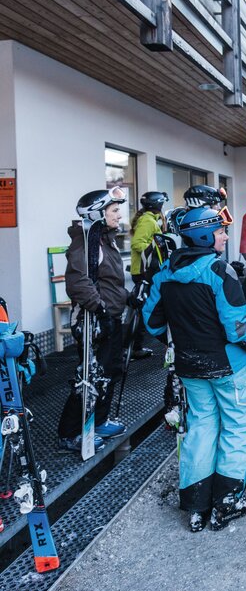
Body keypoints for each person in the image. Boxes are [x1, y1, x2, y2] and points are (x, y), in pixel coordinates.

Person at [143, 205, 246, 532]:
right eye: (220, 230)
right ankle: (226, 502)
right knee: (239, 426)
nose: (225, 235)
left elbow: (152, 323)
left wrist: (184, 339)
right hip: (228, 365)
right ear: (204, 234)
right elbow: (236, 327)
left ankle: (197, 505)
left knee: (202, 426)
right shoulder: (219, 271)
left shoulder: (165, 273)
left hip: (189, 365)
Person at [57, 188, 129, 452]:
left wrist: (127, 297)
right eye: (113, 210)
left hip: (110, 317)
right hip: (93, 321)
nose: (119, 215)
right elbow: (78, 283)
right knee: (89, 374)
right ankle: (69, 432)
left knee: (109, 372)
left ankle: (97, 421)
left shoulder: (104, 240)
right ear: (97, 214)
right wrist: (99, 311)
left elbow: (108, 280)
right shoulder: (84, 244)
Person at [128, 191, 168, 359]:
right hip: (144, 272)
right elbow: (137, 243)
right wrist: (156, 247)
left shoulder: (149, 219)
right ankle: (134, 348)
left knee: (142, 308)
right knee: (143, 309)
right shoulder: (148, 220)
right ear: (158, 204)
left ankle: (134, 347)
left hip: (144, 271)